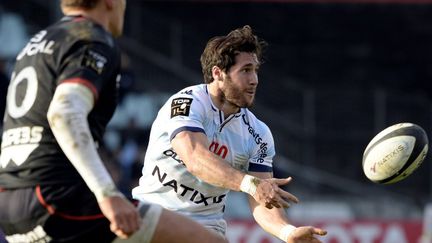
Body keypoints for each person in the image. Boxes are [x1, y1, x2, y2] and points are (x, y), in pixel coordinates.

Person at [0, 1, 227, 242]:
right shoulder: (92, 38)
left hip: (10, 200)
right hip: (57, 199)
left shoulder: (36, 44)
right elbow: (64, 113)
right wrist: (107, 194)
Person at [132, 25, 327, 243]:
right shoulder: (187, 103)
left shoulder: (259, 134)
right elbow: (195, 158)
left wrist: (286, 231)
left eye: (255, 70)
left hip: (206, 227)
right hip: (156, 216)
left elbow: (262, 197)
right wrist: (251, 184)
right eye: (245, 70)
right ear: (218, 73)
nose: (254, 79)